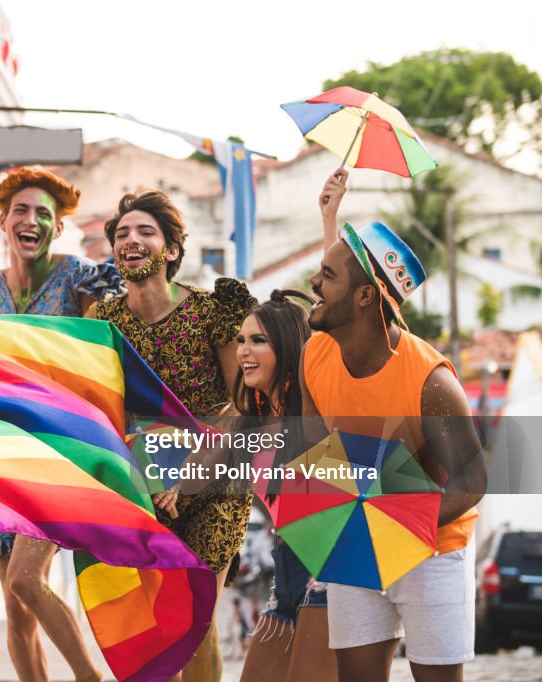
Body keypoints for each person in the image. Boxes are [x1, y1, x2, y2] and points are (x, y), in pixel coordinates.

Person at [301, 213, 486, 681]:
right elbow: (313, 447)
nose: (313, 281)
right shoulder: (314, 354)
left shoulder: (431, 381)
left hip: (435, 547)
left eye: (328, 275)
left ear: (365, 296)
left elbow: (473, 480)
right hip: (358, 536)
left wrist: (397, 514)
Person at [89, 189, 256, 682]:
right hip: (142, 488)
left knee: (196, 621)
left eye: (145, 232)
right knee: (160, 627)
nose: (131, 240)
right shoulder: (102, 322)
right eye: (121, 234)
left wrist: (187, 475)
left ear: (172, 250)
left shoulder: (212, 313)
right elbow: (101, 409)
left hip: (214, 483)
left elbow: (238, 408)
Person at [0, 168, 121, 682]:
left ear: (57, 229)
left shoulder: (79, 279)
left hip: (59, 450)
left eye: (44, 216)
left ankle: (88, 677)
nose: (32, 222)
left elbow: (100, 359)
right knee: (15, 608)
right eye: (22, 212)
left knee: (25, 583)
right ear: (4, 221)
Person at [237, 171, 350, 682]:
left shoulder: (316, 402)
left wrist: (329, 219)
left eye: (258, 340)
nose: (244, 351)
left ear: (286, 345)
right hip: (286, 577)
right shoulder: (259, 422)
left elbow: (343, 317)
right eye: (241, 340)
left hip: (328, 577)